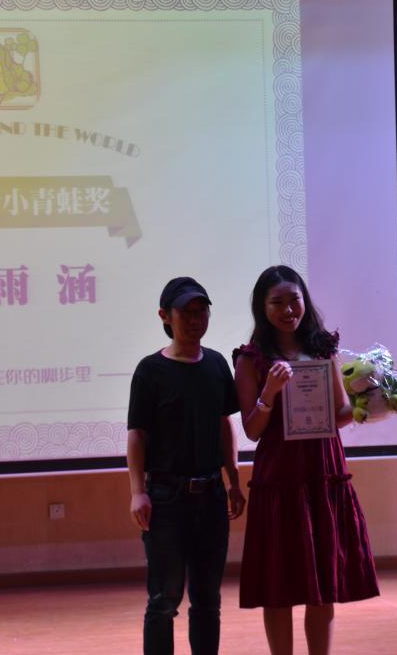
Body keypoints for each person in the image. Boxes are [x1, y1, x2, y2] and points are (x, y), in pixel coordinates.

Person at [233, 265, 379, 655]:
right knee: (278, 586)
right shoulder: (251, 359)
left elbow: (339, 413)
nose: (287, 310)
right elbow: (252, 430)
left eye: (293, 300)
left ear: (305, 301)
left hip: (322, 471)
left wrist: (373, 402)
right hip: (280, 476)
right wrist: (270, 391)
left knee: (323, 584)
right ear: (262, 307)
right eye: (276, 302)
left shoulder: (322, 349)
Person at [127, 276, 247, 655]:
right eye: (186, 313)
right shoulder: (150, 371)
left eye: (201, 311)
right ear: (165, 316)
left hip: (211, 497)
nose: (196, 320)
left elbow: (224, 425)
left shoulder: (216, 364)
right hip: (166, 499)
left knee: (208, 600)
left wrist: (233, 481)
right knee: (163, 600)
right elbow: (137, 435)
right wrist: (137, 492)